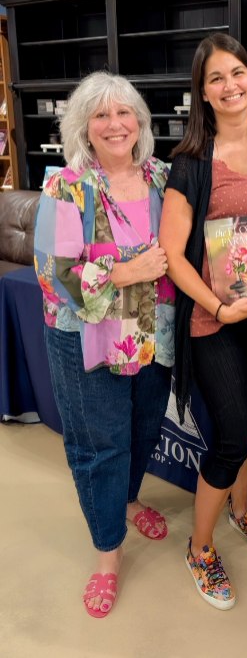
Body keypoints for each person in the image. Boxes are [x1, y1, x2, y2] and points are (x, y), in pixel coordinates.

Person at [34, 71, 175, 619]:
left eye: (125, 113)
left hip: (153, 333)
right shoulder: (66, 186)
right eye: (101, 115)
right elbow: (55, 275)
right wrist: (128, 271)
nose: (115, 124)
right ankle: (107, 558)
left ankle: (132, 498)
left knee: (142, 430)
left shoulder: (165, 178)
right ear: (83, 128)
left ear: (140, 122)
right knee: (100, 446)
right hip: (84, 337)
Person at [159, 33, 247, 610]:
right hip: (214, 320)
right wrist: (217, 307)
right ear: (203, 93)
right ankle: (201, 547)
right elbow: (171, 253)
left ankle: (241, 514)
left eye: (237, 73)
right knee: (232, 436)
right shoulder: (189, 161)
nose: (230, 85)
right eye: (216, 78)